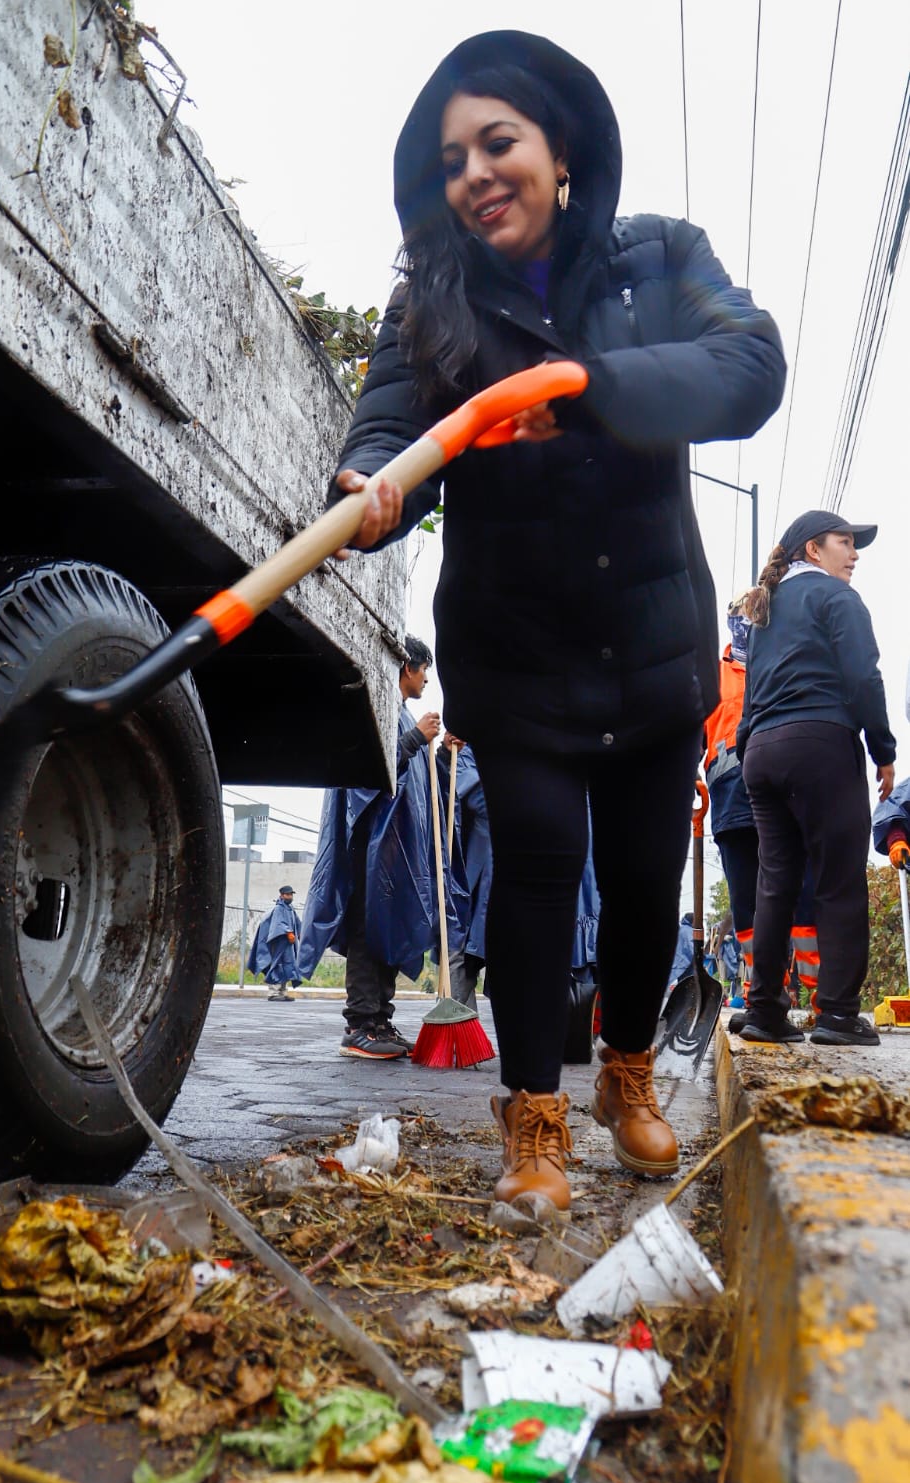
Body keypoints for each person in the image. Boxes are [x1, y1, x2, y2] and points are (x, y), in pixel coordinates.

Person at [326, 30, 785, 1211]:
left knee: (640, 881)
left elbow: (747, 367)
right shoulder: (430, 306)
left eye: (498, 142)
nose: (475, 172)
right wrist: (371, 488)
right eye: (452, 160)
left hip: (649, 649)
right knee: (535, 869)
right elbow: (388, 429)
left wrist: (590, 386)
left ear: (559, 150)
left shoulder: (658, 260)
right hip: (513, 650)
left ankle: (624, 1075)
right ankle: (533, 1118)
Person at [736, 512, 895, 1047]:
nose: (853, 554)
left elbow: (750, 693)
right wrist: (883, 748)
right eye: (845, 543)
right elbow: (862, 676)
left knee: (775, 882)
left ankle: (764, 1012)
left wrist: (750, 748)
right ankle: (837, 1015)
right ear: (812, 550)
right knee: (838, 878)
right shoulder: (835, 598)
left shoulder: (764, 612)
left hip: (761, 752)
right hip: (820, 743)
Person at [298, 636, 447, 1058]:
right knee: (367, 929)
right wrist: (417, 739)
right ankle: (360, 1023)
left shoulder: (403, 715)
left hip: (393, 852)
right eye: (423, 672)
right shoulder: (379, 710)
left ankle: (380, 1020)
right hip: (369, 846)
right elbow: (370, 771)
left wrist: (438, 753)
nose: (426, 681)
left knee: (387, 930)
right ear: (407, 668)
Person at [703, 599, 820, 1031]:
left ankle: (824, 1001)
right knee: (749, 907)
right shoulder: (711, 677)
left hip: (787, 799)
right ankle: (764, 999)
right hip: (732, 802)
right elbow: (691, 735)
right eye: (743, 618)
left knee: (805, 896)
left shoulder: (787, 664)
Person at [437, 735, 490, 1010]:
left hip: (507, 877)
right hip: (471, 877)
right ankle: (455, 1030)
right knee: (460, 955)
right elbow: (476, 801)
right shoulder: (465, 754)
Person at [247, 885, 302, 1000]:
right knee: (276, 966)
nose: (290, 896)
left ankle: (282, 993)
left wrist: (300, 933)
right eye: (287, 894)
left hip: (288, 946)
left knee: (287, 966)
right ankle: (273, 993)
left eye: (291, 894)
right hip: (278, 945)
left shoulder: (290, 908)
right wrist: (288, 932)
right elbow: (278, 924)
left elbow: (297, 923)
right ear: (281, 895)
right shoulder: (278, 909)